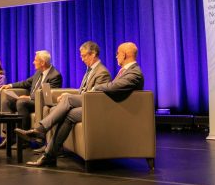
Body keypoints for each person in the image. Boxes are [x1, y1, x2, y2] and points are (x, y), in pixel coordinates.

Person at [16, 42, 144, 167]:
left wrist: (95, 88)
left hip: (111, 110)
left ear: (125, 54)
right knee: (68, 114)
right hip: (103, 105)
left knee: (69, 100)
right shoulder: (125, 71)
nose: (116, 56)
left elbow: (114, 86)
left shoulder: (134, 73)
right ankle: (49, 155)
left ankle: (40, 130)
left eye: (118, 53)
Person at [0, 50, 62, 149]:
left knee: (21, 102)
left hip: (41, 103)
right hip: (31, 101)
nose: (33, 62)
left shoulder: (55, 75)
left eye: (35, 60)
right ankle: (9, 137)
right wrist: (10, 85)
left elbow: (48, 95)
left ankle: (24, 140)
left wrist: (29, 97)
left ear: (42, 63)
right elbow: (26, 83)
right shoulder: (39, 73)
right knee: (7, 102)